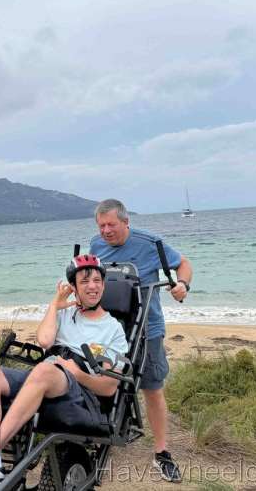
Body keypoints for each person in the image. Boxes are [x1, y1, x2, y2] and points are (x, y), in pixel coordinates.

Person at [0, 254, 128, 490]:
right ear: (74, 288)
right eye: (85, 281)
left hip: (78, 392)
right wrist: (54, 305)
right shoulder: (63, 314)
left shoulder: (113, 329)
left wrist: (77, 374)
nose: (92, 286)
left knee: (44, 370)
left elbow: (109, 388)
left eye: (97, 280)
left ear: (104, 284)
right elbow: (45, 341)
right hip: (45, 377)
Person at [90, 198, 193, 483]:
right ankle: (104, 433)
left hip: (147, 327)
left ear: (126, 222)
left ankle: (162, 452)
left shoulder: (150, 243)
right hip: (108, 329)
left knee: (151, 387)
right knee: (104, 379)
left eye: (111, 224)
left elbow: (183, 264)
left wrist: (182, 285)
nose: (106, 231)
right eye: (102, 226)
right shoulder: (96, 246)